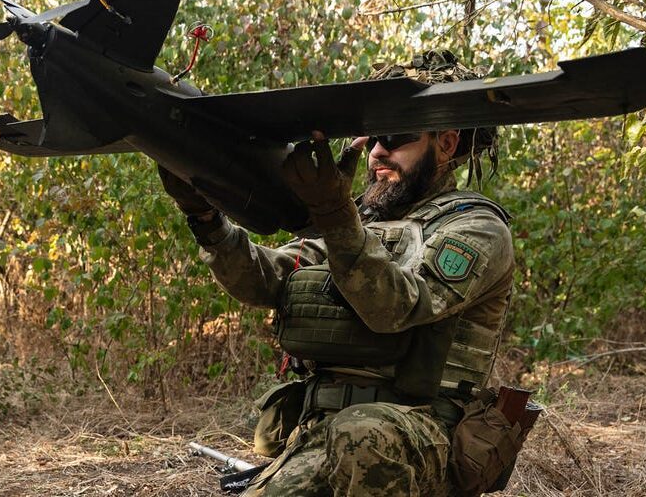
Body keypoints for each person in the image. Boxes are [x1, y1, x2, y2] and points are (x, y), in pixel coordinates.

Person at [160, 51, 515, 496]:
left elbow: (396, 307)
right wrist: (206, 220)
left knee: (363, 433)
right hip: (323, 432)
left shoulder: (475, 228)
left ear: (446, 142)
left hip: (416, 434)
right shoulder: (359, 221)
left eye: (396, 137)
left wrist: (335, 214)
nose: (378, 152)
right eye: (374, 138)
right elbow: (265, 280)